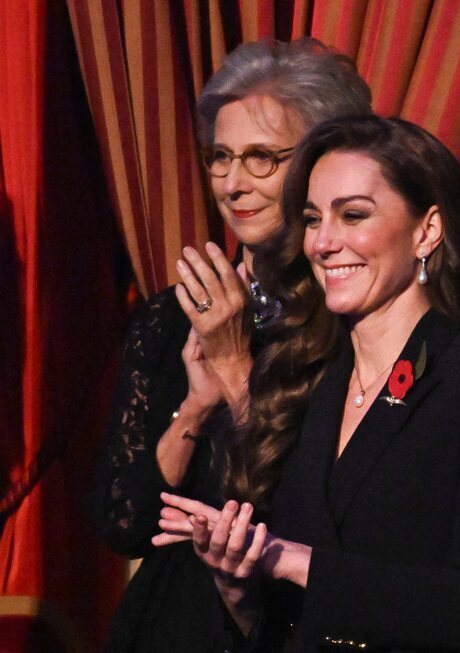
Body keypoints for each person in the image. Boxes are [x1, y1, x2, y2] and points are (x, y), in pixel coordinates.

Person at [154, 116, 460, 652]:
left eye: (353, 215)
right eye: (313, 220)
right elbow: (271, 626)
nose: (324, 242)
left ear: (427, 230)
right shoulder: (301, 376)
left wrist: (293, 560)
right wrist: (236, 578)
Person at [87, 39, 371, 653]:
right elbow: (123, 523)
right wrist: (193, 408)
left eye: (263, 159)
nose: (234, 184)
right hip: (167, 626)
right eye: (221, 157)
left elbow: (314, 521)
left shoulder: (354, 319)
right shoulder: (171, 317)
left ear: (324, 162)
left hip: (282, 629)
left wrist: (236, 364)